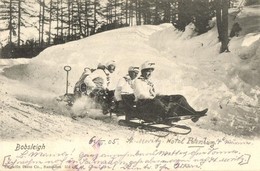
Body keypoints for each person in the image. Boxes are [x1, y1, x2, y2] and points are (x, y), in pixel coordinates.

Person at [132, 61, 208, 122]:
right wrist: (154, 98)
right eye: (148, 71)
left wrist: (163, 96)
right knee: (157, 102)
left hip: (153, 101)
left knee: (179, 98)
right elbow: (140, 95)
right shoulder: (137, 81)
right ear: (143, 71)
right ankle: (169, 116)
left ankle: (193, 114)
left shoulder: (149, 82)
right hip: (143, 104)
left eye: (151, 71)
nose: (150, 73)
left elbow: (155, 93)